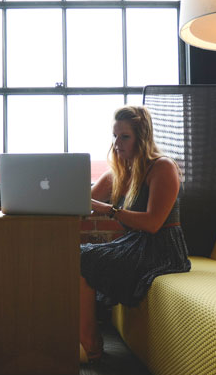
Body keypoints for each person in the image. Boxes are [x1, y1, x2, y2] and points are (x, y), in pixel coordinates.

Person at [79, 105, 191, 361]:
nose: (117, 143)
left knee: (83, 258)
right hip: (133, 243)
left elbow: (153, 223)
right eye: (115, 136)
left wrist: (109, 210)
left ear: (142, 137)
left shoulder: (162, 167)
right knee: (76, 255)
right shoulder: (118, 172)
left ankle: (90, 342)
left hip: (162, 248)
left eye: (124, 136)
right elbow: (82, 203)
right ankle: (86, 336)